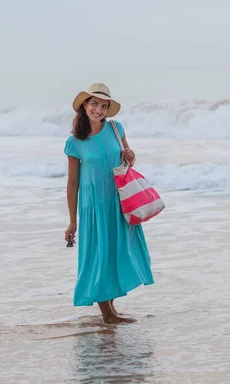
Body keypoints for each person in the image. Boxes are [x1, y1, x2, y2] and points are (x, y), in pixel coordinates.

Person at [64, 83, 154, 324]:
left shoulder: (116, 128)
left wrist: (131, 155)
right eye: (95, 104)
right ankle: (107, 316)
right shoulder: (75, 142)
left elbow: (127, 161)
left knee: (115, 253)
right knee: (99, 256)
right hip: (93, 208)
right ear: (85, 105)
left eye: (104, 106)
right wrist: (72, 221)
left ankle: (111, 310)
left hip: (118, 202)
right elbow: (73, 184)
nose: (99, 109)